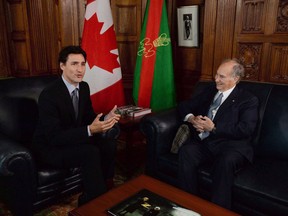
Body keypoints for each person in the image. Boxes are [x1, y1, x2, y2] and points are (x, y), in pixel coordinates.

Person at [32, 45, 121, 206]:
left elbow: (87, 116)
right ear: (62, 66)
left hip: (72, 139)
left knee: (108, 143)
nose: (80, 69)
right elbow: (54, 137)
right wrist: (89, 130)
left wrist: (104, 118)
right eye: (74, 64)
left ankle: (106, 186)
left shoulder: (84, 87)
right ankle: (93, 202)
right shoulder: (49, 95)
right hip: (50, 147)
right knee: (90, 152)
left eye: (82, 64)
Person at [177, 58, 259, 209]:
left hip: (231, 147)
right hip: (206, 143)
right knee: (186, 151)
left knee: (225, 161)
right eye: (216, 75)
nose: (216, 79)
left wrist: (214, 128)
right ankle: (188, 205)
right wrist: (192, 118)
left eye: (221, 76)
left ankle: (217, 210)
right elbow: (184, 105)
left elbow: (245, 129)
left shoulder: (248, 100)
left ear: (235, 78)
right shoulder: (210, 90)